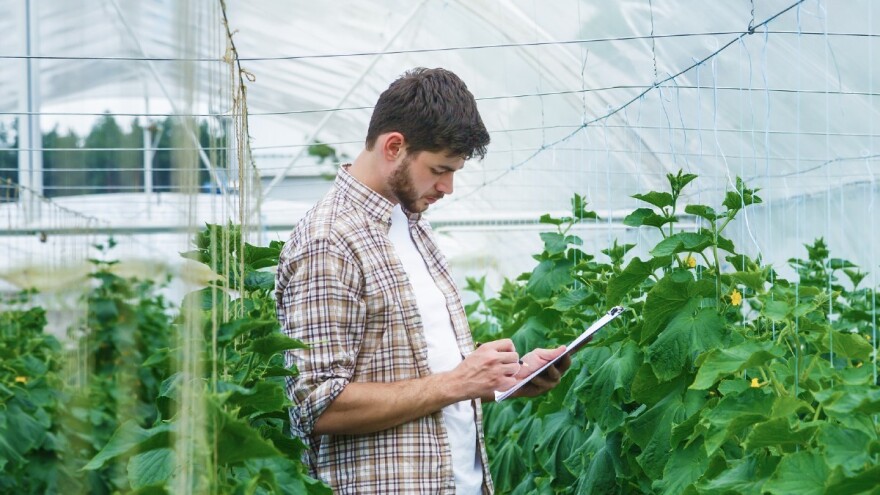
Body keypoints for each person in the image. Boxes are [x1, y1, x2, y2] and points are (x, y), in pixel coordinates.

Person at [276, 67, 570, 494]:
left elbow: (423, 374)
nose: (448, 187)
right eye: (439, 169)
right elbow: (316, 405)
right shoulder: (330, 240)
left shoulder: (412, 225)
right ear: (394, 146)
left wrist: (499, 379)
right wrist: (459, 381)